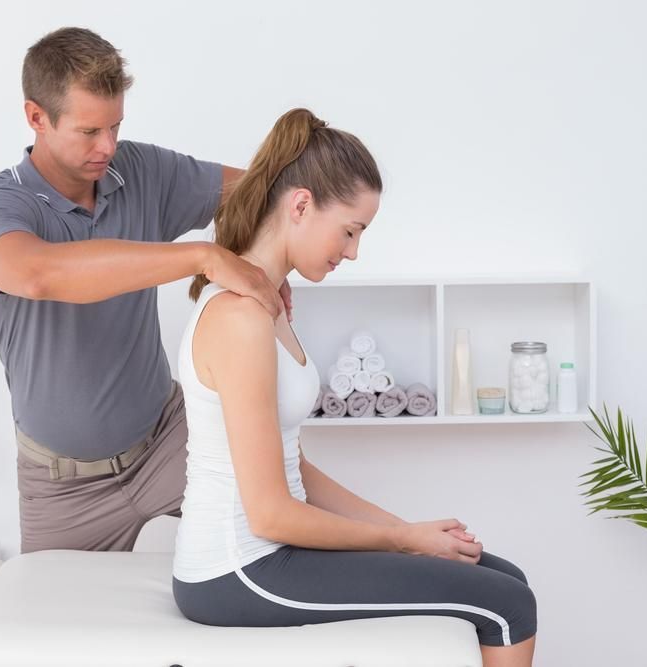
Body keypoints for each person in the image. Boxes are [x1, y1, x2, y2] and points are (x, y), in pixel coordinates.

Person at [172, 108, 537, 666]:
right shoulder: (240, 318)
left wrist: (408, 530)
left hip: (267, 554)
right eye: (350, 230)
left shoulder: (269, 304)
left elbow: (295, 468)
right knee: (506, 605)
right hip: (237, 569)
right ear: (300, 205)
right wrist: (404, 542)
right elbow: (269, 514)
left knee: (503, 576)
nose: (353, 251)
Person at [0, 26, 292, 554]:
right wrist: (204, 257)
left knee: (292, 516)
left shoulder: (138, 169)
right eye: (89, 131)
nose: (107, 147)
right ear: (36, 117)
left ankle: (410, 549)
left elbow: (266, 196)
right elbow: (40, 274)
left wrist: (272, 260)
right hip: (62, 487)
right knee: (52, 633)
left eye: (115, 126)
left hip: (169, 443)